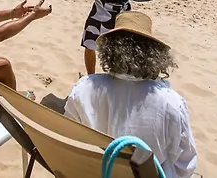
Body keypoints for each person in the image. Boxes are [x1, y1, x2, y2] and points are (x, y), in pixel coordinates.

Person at [64, 11, 197, 178]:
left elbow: (70, 137)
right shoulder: (171, 103)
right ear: (153, 54)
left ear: (109, 50)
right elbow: (185, 165)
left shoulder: (84, 88)